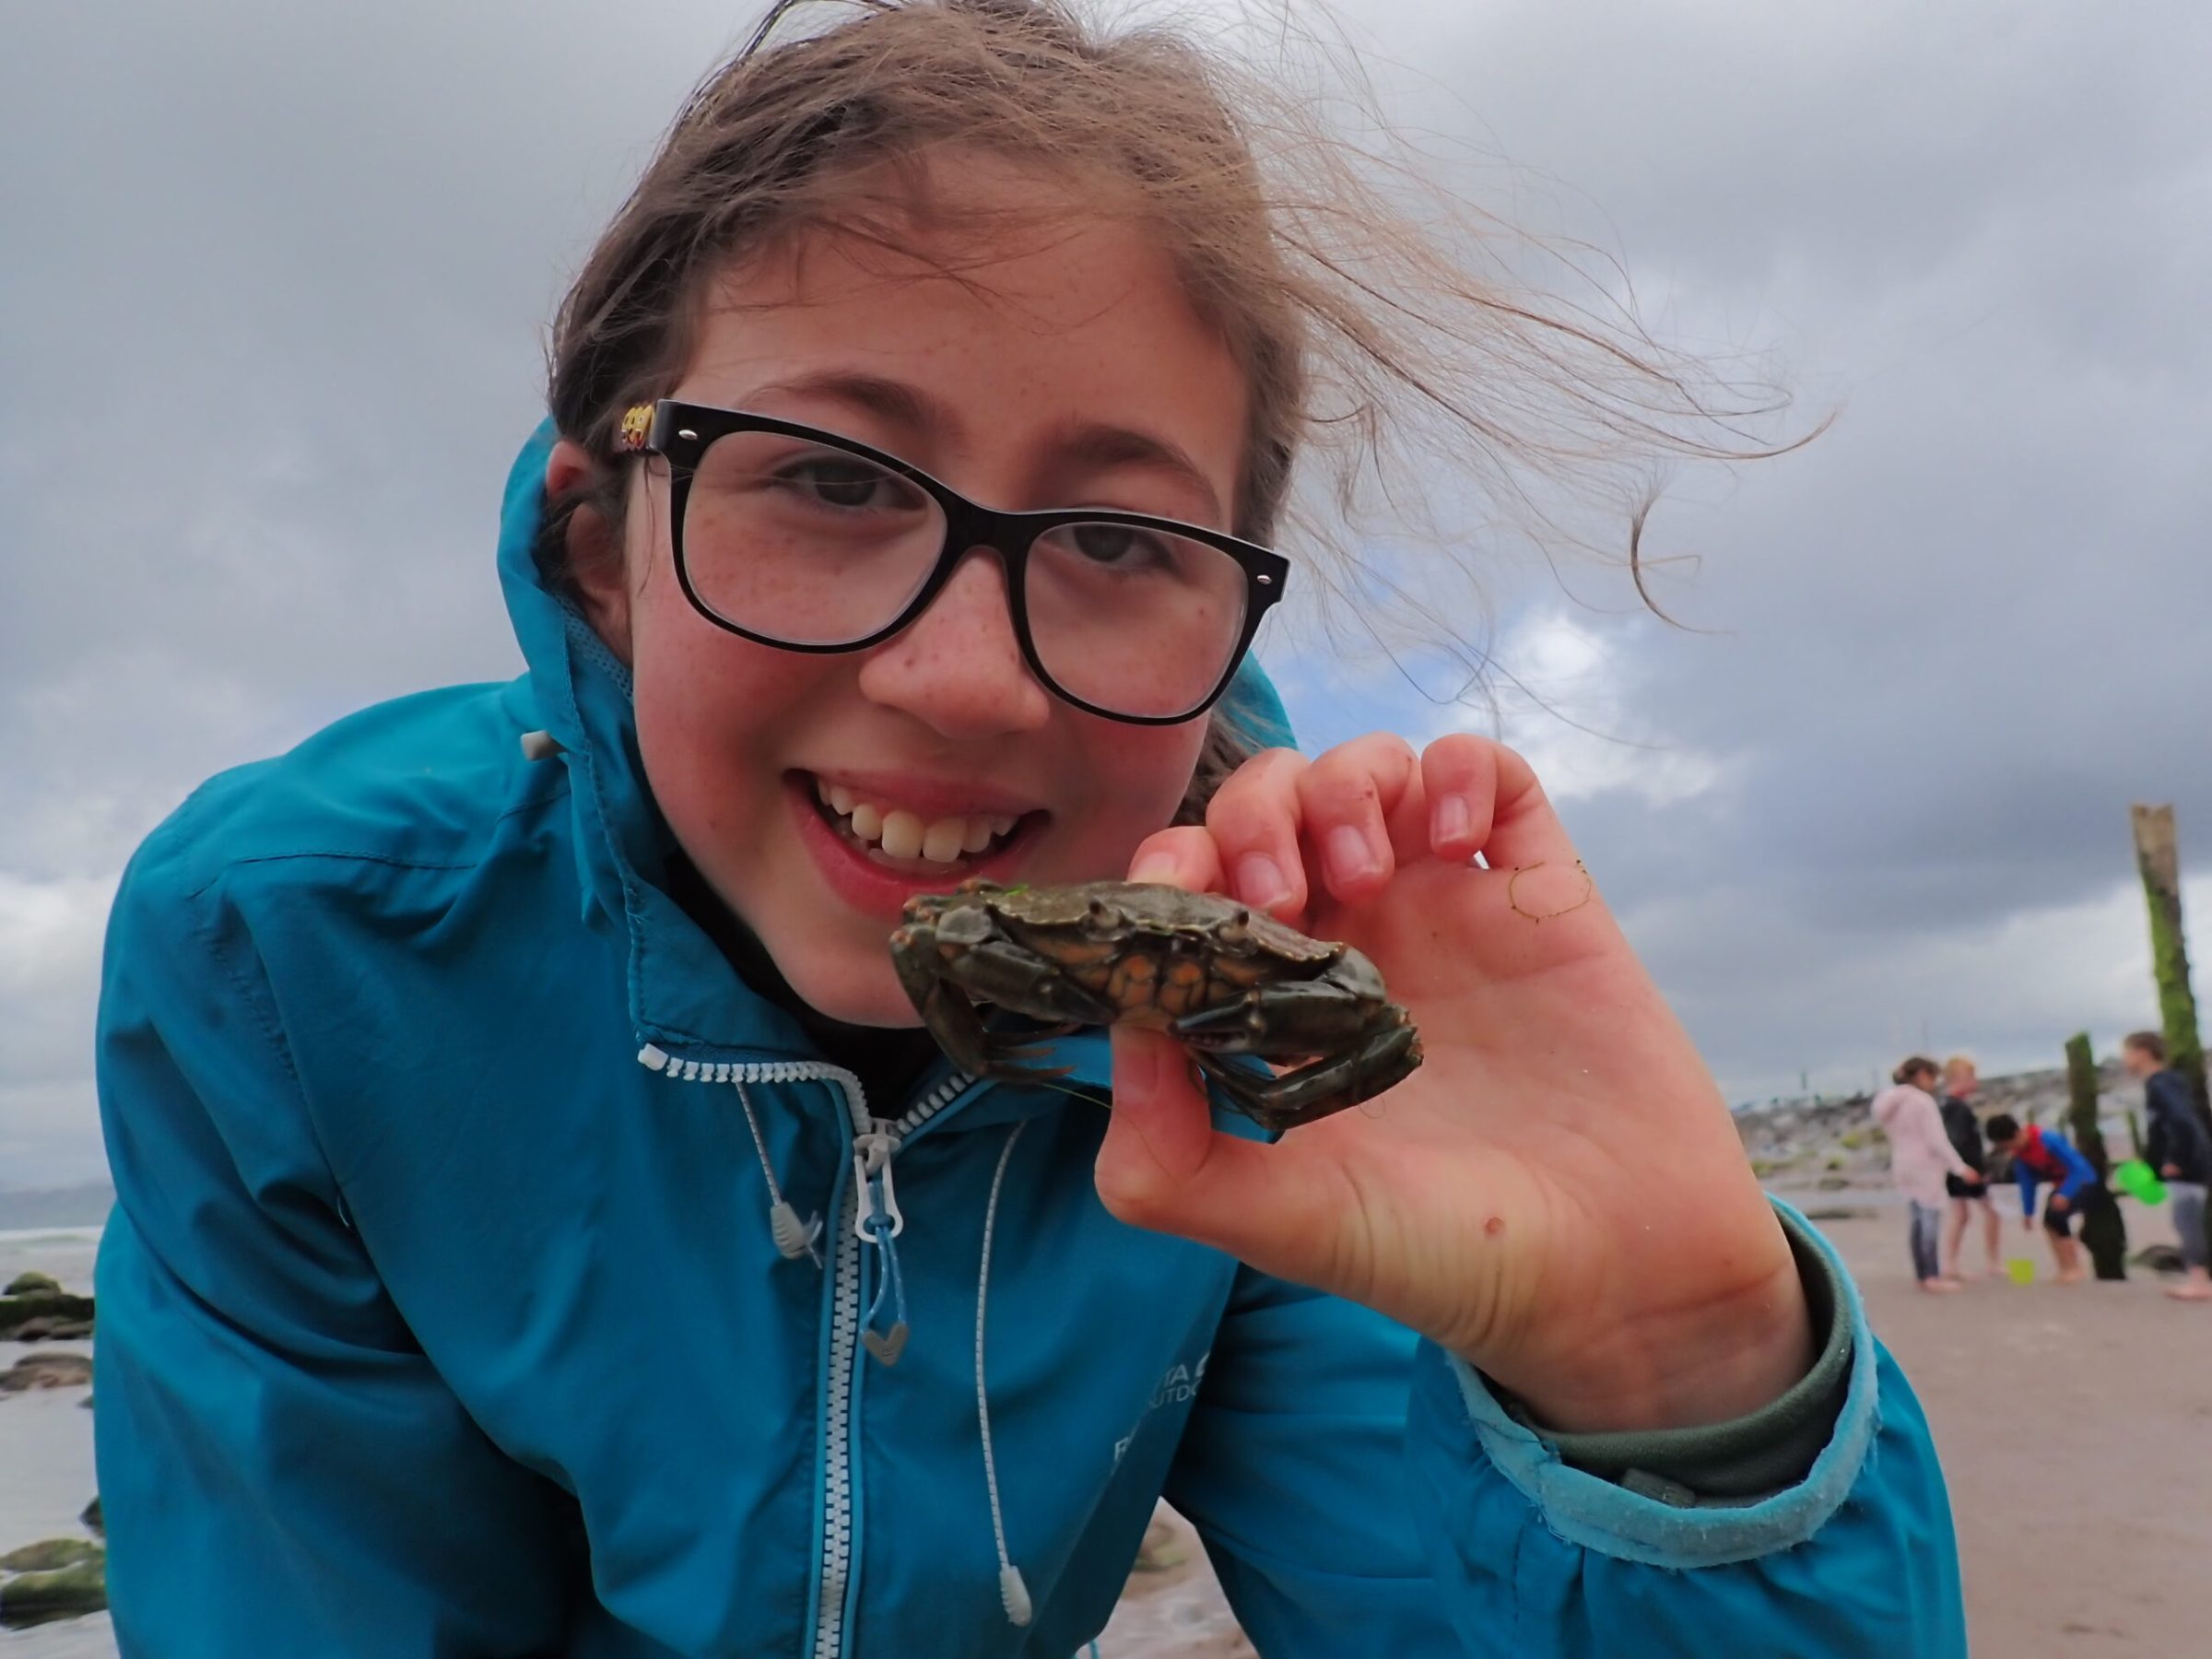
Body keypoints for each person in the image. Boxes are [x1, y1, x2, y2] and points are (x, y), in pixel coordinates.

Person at [89, 4, 1964, 1653]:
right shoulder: (298, 945)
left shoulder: (1273, 1015)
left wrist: (1672, 1380)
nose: (967, 679)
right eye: (828, 480)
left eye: (1123, 540)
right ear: (605, 549)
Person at [1871, 1059, 1977, 1294]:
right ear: (1921, 1075)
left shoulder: (1889, 1102)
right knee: (1929, 1218)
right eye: (1932, 1076)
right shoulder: (1921, 1102)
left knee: (1917, 1219)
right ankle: (1932, 1276)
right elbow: (1936, 1140)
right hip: (1925, 1165)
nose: (1934, 1083)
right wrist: (1960, 1168)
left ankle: (1922, 1274)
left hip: (1902, 1162)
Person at [2121, 1030, 2212, 1302]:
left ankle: (2200, 1282)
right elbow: (2162, 1129)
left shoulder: (2160, 1084)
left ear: (2143, 1053)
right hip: (2195, 1161)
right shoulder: (2168, 1082)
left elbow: (2182, 1123)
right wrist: (2149, 1162)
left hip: (2189, 1165)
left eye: (2126, 1052)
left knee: (2187, 1220)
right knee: (2190, 1218)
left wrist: (2176, 1160)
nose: (2124, 1059)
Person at [1983, 1113, 2098, 1284]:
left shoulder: (2047, 1139)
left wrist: (2065, 1194)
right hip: (2060, 1185)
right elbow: (2027, 1183)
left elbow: (2078, 1168)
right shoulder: (2021, 1153)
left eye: (2010, 1144)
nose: (2011, 1149)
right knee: (2048, 1222)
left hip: (2084, 1181)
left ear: (2017, 1133)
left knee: (2056, 1217)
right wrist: (2028, 1212)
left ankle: (2075, 1268)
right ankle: (2065, 1267)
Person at [1937, 1055, 2000, 1279]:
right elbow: (1959, 1141)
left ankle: (1950, 1264)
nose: (1976, 1081)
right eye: (1972, 1076)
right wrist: (1970, 1169)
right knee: (1990, 1211)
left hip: (1955, 1169)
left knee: (1962, 1214)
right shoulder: (1957, 1108)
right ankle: (1990, 1262)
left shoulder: (1945, 1104)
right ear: (1959, 1078)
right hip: (1965, 1170)